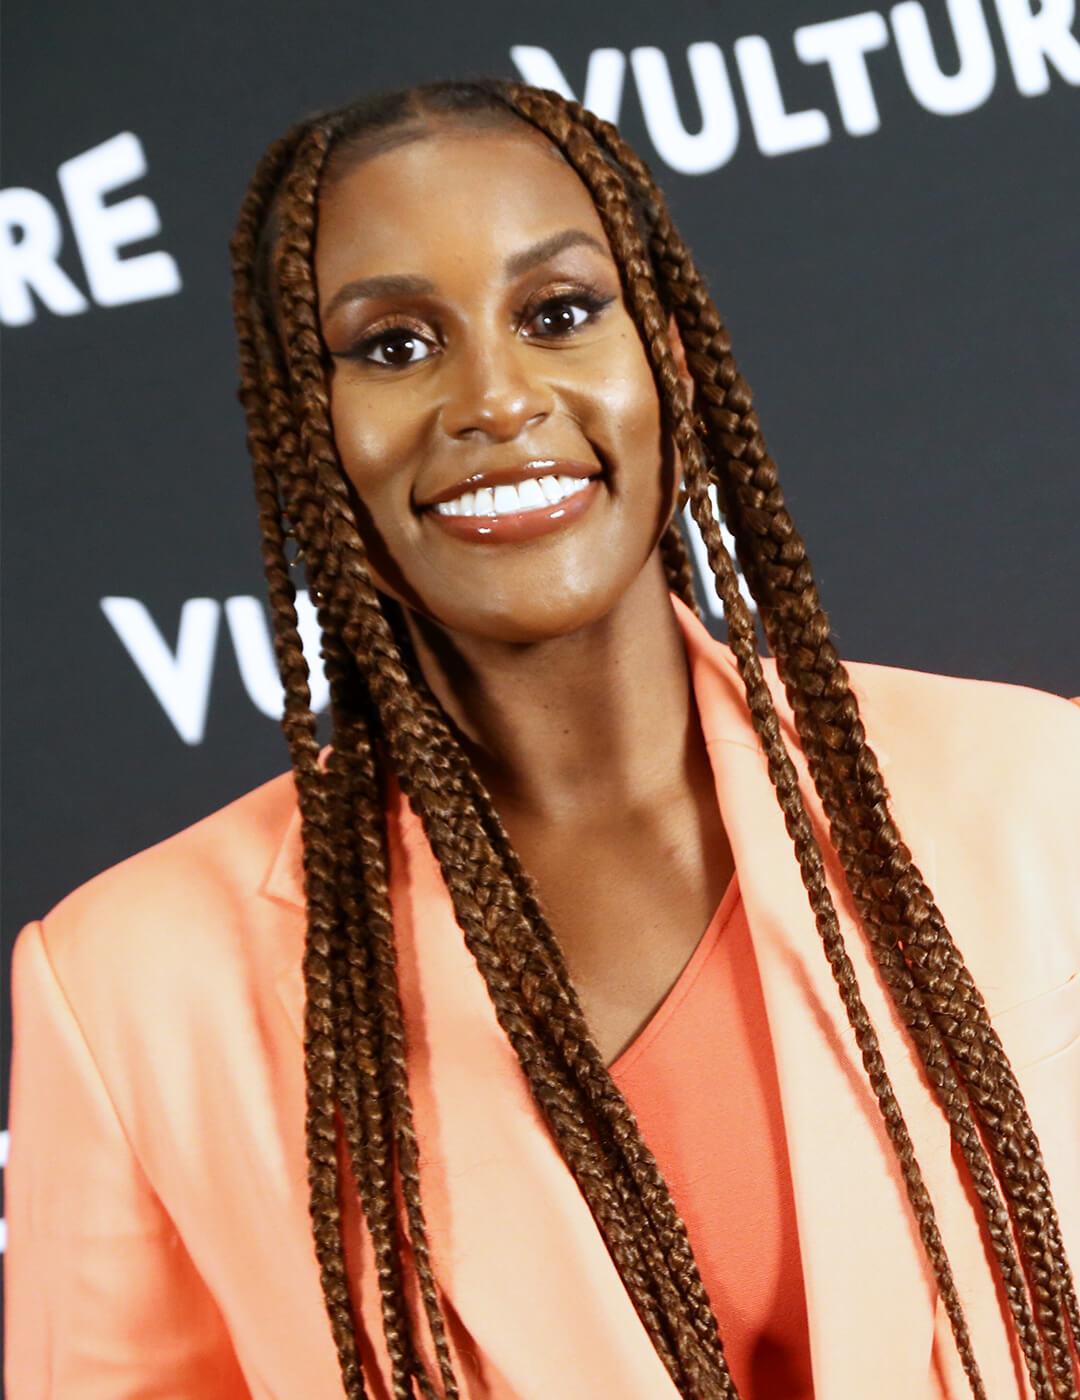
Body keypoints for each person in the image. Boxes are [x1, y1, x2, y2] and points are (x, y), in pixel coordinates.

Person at [4, 76, 1079, 1400]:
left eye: (559, 314)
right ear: (301, 428)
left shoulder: (1041, 794)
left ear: (666, 359)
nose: (496, 399)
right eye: (394, 346)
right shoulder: (130, 991)